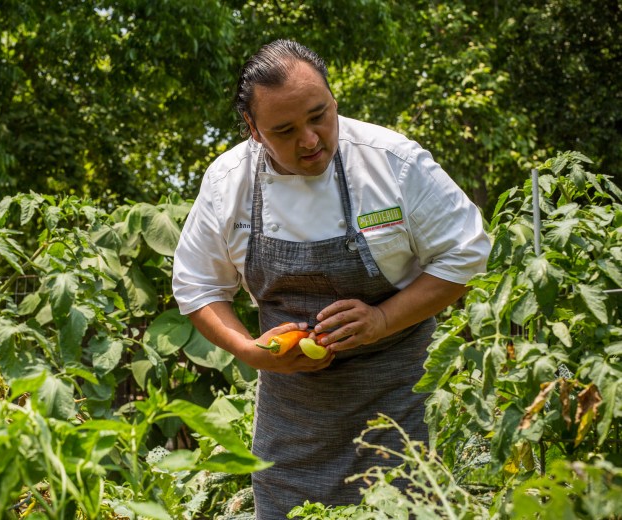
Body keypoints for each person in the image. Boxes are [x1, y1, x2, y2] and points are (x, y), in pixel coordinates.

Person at [171, 39, 491, 518]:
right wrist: (248, 350)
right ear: (254, 130)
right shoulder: (228, 183)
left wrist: (382, 318)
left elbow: (467, 255)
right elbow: (198, 286)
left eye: (320, 115)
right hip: (293, 421)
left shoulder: (391, 162)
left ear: (333, 99)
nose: (310, 139)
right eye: (285, 130)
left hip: (400, 399)